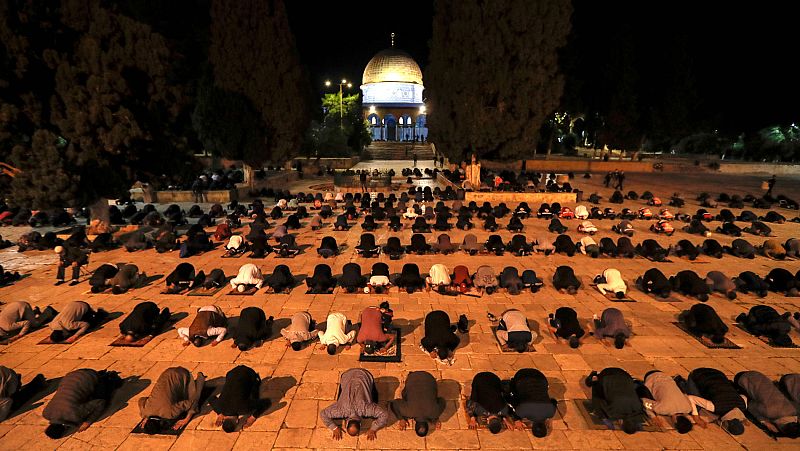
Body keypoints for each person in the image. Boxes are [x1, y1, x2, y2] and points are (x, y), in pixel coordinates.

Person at [43, 369, 123, 438]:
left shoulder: (75, 415)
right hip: (72, 375)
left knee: (104, 397)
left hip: (90, 376)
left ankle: (110, 378)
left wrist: (88, 422)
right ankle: (100, 375)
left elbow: (100, 403)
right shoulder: (46, 413)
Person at [320, 368, 387, 440]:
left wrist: (373, 429)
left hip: (365, 375)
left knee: (374, 401)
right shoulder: (340, 410)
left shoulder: (367, 409)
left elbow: (384, 415)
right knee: (340, 400)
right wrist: (334, 427)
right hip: (347, 375)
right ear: (346, 424)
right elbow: (323, 414)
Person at [137, 367, 206, 434]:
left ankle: (200, 380)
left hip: (182, 374)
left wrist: (186, 419)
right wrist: (146, 415)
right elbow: (141, 399)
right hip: (166, 372)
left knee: (194, 400)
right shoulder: (145, 411)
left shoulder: (170, 414)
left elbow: (191, 403)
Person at [734, 370, 800, 437]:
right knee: (745, 401)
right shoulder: (770, 412)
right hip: (743, 378)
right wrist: (765, 422)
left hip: (756, 375)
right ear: (781, 428)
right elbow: (751, 406)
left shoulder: (794, 410)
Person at [639, 370, 708, 433]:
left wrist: (695, 415)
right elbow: (644, 402)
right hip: (651, 377)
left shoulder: (688, 408)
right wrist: (653, 417)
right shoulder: (662, 409)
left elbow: (688, 397)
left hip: (665, 375)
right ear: (675, 421)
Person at [686, 368, 747, 435]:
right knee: (695, 408)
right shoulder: (715, 406)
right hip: (698, 374)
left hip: (719, 374)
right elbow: (691, 398)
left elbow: (744, 396)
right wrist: (696, 417)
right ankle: (681, 382)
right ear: (726, 423)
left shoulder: (743, 405)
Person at [585, 368, 645, 434]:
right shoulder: (613, 411)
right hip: (606, 375)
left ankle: (596, 377)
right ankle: (594, 377)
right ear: (622, 422)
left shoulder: (638, 409)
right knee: (592, 387)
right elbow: (602, 406)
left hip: (625, 375)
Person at [212, 365, 270, 433]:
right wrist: (219, 413)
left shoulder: (244, 409)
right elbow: (211, 398)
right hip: (232, 372)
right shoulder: (219, 407)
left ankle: (256, 381)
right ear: (224, 419)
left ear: (236, 421)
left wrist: (253, 417)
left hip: (249, 373)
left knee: (254, 398)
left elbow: (266, 402)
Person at [389, 371, 445, 437]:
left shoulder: (435, 412)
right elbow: (394, 404)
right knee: (405, 395)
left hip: (429, 377)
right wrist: (401, 418)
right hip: (412, 378)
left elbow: (442, 400)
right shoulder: (409, 412)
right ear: (415, 425)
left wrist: (435, 416)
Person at [506, 369, 557, 437]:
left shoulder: (551, 412)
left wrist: (550, 418)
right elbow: (511, 402)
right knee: (513, 393)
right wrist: (517, 420)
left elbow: (554, 401)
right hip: (521, 376)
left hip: (539, 376)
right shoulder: (523, 412)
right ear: (532, 426)